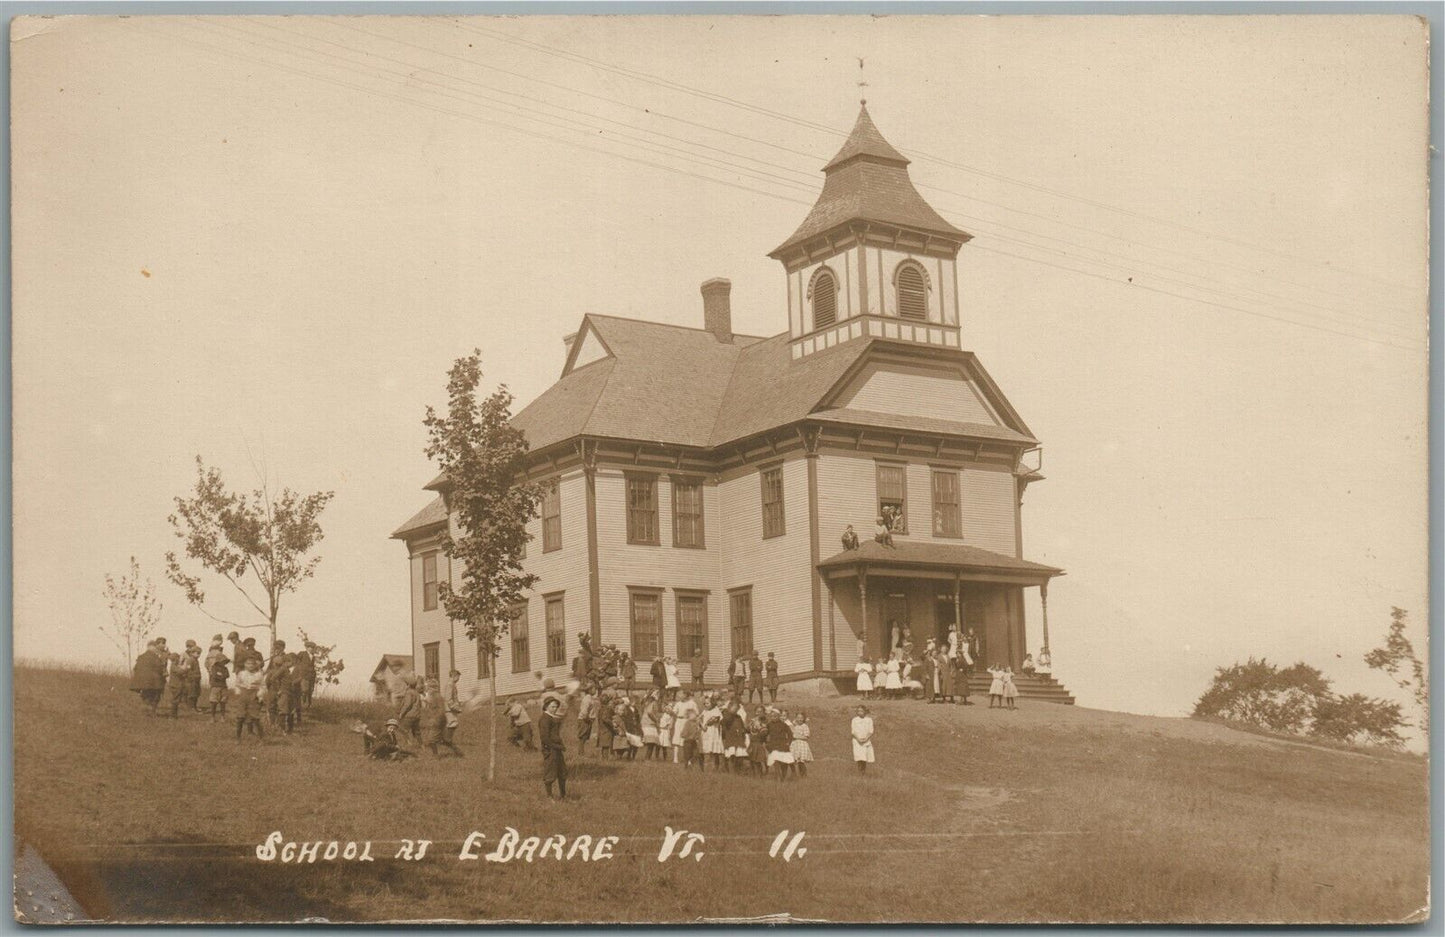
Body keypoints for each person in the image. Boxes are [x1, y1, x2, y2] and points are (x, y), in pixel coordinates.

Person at [539, 696, 569, 800]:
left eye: (556, 707)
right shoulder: (545, 719)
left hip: (557, 749)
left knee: (562, 772)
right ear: (546, 707)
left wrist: (560, 745)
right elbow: (544, 738)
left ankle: (563, 796)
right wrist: (556, 746)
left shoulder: (552, 718)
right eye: (552, 706)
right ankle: (549, 797)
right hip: (550, 749)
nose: (555, 709)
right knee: (550, 773)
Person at [232, 656, 266, 742]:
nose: (250, 665)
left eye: (252, 664)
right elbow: (237, 684)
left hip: (253, 695)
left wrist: (260, 695)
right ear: (245, 664)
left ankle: (261, 738)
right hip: (243, 695)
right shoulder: (241, 673)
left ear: (255, 665)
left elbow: (262, 686)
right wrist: (238, 692)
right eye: (248, 663)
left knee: (255, 717)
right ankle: (238, 738)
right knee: (240, 717)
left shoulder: (259, 674)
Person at [129, 640, 166, 715]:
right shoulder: (156, 657)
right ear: (152, 647)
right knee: (155, 697)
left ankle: (146, 713)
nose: (156, 649)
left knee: (146, 697)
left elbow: (135, 668)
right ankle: (151, 713)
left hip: (142, 682)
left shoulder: (141, 657)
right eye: (155, 647)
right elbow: (159, 669)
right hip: (154, 683)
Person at [764, 708, 795, 781]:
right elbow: (765, 734)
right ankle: (778, 777)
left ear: (778, 716)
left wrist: (788, 743)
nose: (773, 718)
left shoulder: (783, 724)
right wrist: (766, 743)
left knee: (784, 762)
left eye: (775, 716)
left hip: (783, 746)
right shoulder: (769, 725)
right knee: (776, 761)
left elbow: (790, 734)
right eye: (772, 716)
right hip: (773, 746)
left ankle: (783, 777)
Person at [719, 700, 748, 774]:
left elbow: (742, 726)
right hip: (731, 739)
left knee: (739, 756)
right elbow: (724, 723)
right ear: (729, 708)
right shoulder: (726, 716)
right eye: (734, 709)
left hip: (739, 739)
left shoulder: (738, 717)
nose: (736, 711)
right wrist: (729, 713)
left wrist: (743, 731)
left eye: (737, 709)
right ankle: (731, 771)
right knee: (731, 755)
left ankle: (738, 770)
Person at [700, 695, 724, 770]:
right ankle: (706, 766)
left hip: (713, 731)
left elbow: (714, 720)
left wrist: (706, 724)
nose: (706, 705)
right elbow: (700, 718)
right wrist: (702, 725)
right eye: (705, 703)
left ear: (712, 703)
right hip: (705, 732)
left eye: (707, 703)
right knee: (706, 748)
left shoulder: (716, 711)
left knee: (714, 749)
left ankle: (715, 766)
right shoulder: (704, 711)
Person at [850, 705, 875, 774]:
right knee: (859, 757)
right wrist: (858, 739)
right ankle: (860, 772)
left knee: (864, 757)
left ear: (865, 711)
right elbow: (853, 732)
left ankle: (863, 772)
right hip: (857, 741)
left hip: (866, 741)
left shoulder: (869, 720)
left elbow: (871, 731)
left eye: (861, 711)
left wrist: (866, 739)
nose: (860, 712)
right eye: (858, 711)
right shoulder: (854, 720)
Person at [746, 706, 769, 778]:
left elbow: (764, 733)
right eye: (757, 712)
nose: (758, 713)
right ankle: (753, 775)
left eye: (760, 712)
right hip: (752, 742)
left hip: (760, 743)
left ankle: (761, 774)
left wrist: (758, 725)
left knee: (759, 760)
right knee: (752, 759)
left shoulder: (765, 721)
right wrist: (749, 725)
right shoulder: (753, 721)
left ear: (764, 713)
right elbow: (748, 730)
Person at [207, 652, 230, 720]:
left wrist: (220, 675)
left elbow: (227, 675)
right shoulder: (214, 668)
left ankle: (222, 717)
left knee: (223, 701)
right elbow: (215, 676)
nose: (224, 663)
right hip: (215, 686)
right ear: (218, 661)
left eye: (225, 662)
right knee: (214, 702)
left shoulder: (225, 668)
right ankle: (212, 717)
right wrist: (222, 676)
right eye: (223, 661)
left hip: (223, 686)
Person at [789, 711, 813, 777]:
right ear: (796, 718)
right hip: (795, 744)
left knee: (801, 761)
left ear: (804, 719)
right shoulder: (795, 726)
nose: (800, 719)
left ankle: (804, 774)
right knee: (797, 760)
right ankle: (799, 774)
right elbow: (791, 727)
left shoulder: (805, 726)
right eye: (798, 718)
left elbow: (806, 737)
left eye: (801, 718)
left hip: (802, 744)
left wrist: (797, 736)